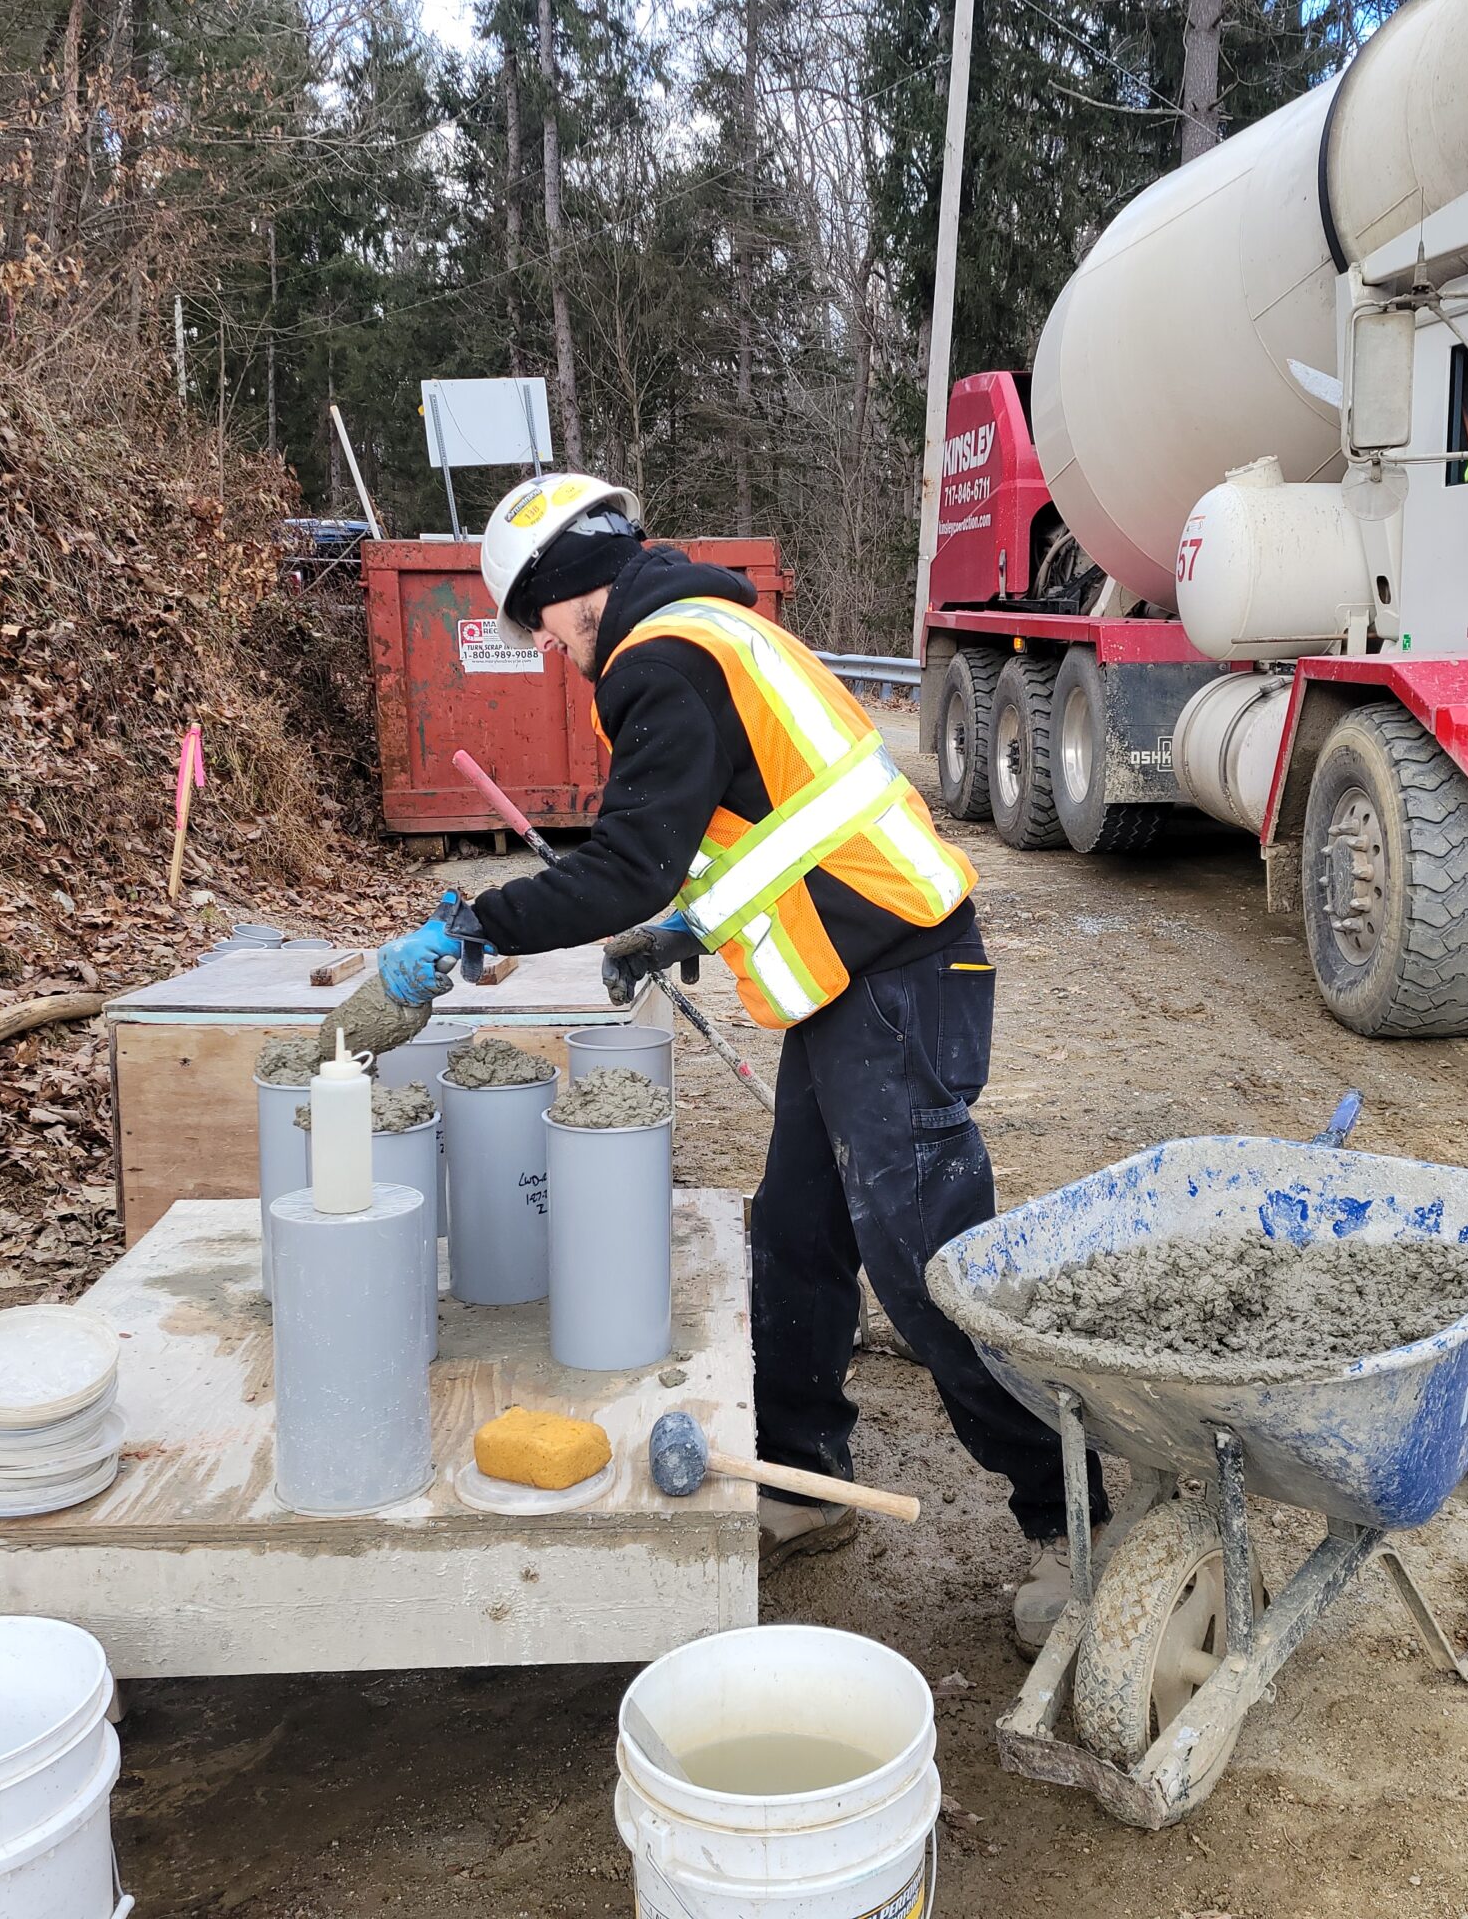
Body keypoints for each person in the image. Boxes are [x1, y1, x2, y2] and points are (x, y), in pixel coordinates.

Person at [375, 472, 1104, 1652]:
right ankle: (802, 1481)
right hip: (857, 982)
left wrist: (475, 927)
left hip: (899, 984)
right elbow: (774, 824)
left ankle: (1077, 1525)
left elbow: (627, 862)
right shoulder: (716, 627)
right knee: (799, 1238)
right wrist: (689, 928)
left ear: (567, 595)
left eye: (542, 628)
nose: (553, 654)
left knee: (931, 1275)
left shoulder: (656, 659)